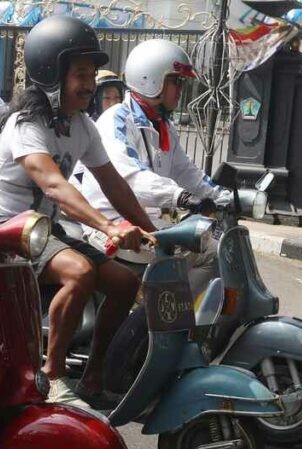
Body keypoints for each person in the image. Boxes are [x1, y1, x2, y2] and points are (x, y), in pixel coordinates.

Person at [0, 15, 157, 409]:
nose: (90, 85)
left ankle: (93, 373)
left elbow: (113, 182)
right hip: (2, 228)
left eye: (92, 74)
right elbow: (54, 185)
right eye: (80, 74)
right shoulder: (27, 123)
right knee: (80, 272)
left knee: (124, 282)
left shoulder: (81, 125)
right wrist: (109, 226)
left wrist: (150, 230)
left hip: (42, 230)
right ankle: (53, 376)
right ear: (50, 74)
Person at [80, 39, 231, 295]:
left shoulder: (163, 125)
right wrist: (181, 197)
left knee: (209, 241)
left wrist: (220, 195)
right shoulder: (116, 119)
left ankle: (164, 310)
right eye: (176, 82)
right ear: (151, 79)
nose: (180, 90)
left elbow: (185, 171)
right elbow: (131, 177)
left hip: (148, 220)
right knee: (211, 252)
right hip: (114, 224)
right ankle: (159, 314)